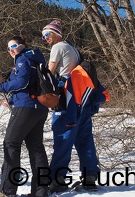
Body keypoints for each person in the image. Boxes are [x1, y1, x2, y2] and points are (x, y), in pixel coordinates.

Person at [42, 20, 101, 192]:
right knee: (84, 140)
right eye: (43, 35)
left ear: (56, 33)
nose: (45, 38)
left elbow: (49, 73)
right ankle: (90, 178)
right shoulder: (72, 48)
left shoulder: (58, 47)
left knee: (63, 138)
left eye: (47, 34)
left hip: (67, 102)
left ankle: (57, 181)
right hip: (82, 101)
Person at [0, 37, 49, 197]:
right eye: (8, 48)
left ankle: (6, 191)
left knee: (11, 144)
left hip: (26, 107)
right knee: (36, 148)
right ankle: (41, 191)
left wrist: (3, 87)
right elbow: (31, 85)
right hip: (39, 108)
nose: (11, 50)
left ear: (22, 46)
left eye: (13, 46)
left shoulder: (23, 58)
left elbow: (22, 82)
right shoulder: (36, 59)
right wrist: (12, 99)